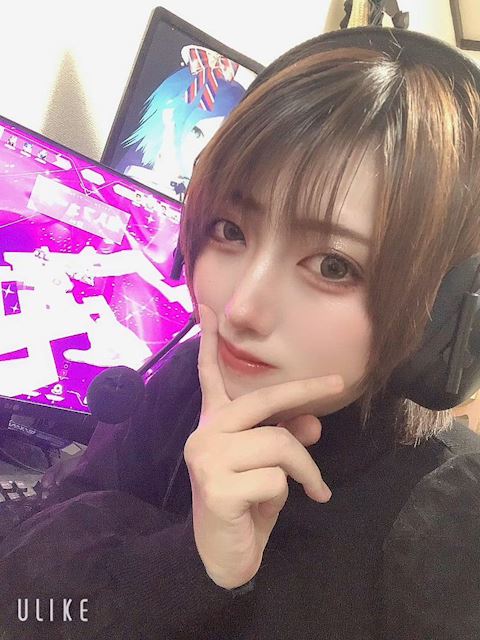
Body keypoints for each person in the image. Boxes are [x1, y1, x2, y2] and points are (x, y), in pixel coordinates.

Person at [0, 25, 480, 640]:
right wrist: (189, 566)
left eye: (333, 266)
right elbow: (26, 607)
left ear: (442, 315)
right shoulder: (186, 380)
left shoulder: (451, 519)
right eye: (230, 229)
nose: (241, 308)